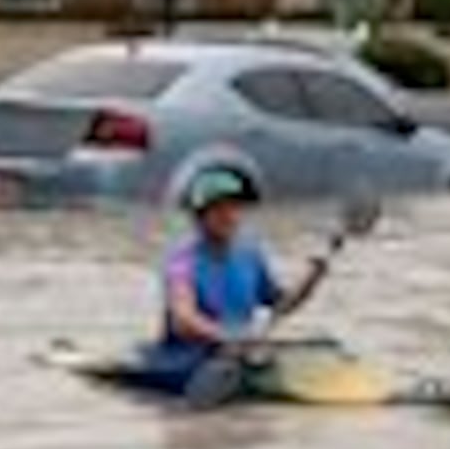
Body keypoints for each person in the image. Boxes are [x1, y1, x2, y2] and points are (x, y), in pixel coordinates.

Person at [134, 165, 325, 391]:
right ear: (200, 216)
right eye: (219, 209)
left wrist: (312, 278)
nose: (229, 216)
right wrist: (228, 337)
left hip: (241, 352)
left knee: (326, 345)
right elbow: (183, 321)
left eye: (234, 207)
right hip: (188, 358)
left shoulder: (249, 254)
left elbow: (280, 306)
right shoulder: (181, 263)